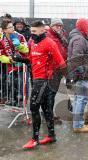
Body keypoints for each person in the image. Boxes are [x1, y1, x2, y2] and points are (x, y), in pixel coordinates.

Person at [22, 20, 66, 149]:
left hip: (43, 81)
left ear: (42, 31)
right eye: (31, 31)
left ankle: (34, 139)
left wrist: (64, 77)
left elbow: (61, 63)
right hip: (36, 79)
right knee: (47, 109)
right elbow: (32, 59)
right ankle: (51, 136)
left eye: (34, 32)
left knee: (34, 108)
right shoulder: (34, 42)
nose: (32, 34)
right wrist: (20, 59)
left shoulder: (50, 43)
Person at [68, 18, 88, 133]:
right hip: (82, 75)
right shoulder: (80, 39)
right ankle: (78, 125)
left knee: (78, 99)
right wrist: (83, 72)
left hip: (83, 74)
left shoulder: (82, 38)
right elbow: (76, 58)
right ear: (83, 27)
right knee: (81, 99)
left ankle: (77, 123)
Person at [0, 20, 29, 107]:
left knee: (22, 83)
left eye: (12, 26)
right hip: (11, 66)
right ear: (4, 30)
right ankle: (13, 99)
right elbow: (1, 56)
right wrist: (8, 59)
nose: (13, 28)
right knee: (12, 83)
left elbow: (27, 50)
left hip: (22, 65)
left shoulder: (19, 36)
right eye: (10, 27)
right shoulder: (1, 40)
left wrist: (19, 46)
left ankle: (22, 101)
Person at [46, 18, 68, 124]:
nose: (59, 27)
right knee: (50, 93)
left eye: (60, 25)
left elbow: (64, 50)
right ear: (51, 26)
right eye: (56, 25)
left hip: (59, 69)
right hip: (52, 69)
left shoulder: (61, 36)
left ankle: (48, 113)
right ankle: (49, 115)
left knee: (52, 93)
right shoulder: (48, 36)